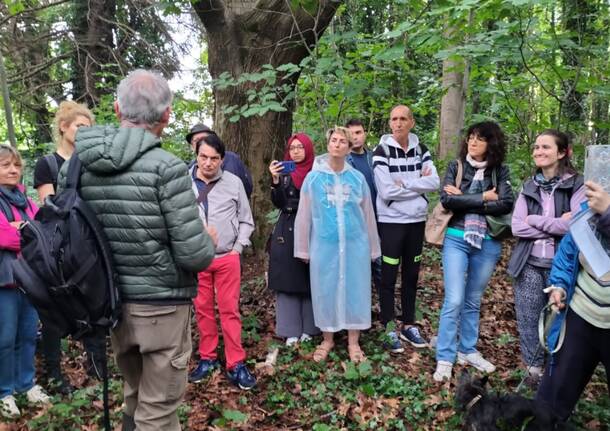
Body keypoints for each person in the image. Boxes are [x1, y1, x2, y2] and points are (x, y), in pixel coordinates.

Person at [58, 69, 215, 431]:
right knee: (158, 411)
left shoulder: (77, 166)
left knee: (135, 394)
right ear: (166, 116)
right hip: (160, 307)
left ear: (117, 109)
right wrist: (209, 238)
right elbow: (195, 255)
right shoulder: (168, 169)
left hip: (107, 304)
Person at [433, 121, 514, 382]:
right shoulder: (456, 167)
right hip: (456, 237)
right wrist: (483, 198)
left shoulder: (500, 171)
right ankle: (445, 356)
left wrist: (464, 198)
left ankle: (467, 349)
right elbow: (447, 200)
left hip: (488, 240)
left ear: (491, 143)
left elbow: (506, 204)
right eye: (470, 138)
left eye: (479, 138)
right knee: (454, 299)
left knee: (473, 299)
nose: (473, 142)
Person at [33, 100, 105, 394]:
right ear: (64, 127)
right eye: (79, 126)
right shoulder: (47, 164)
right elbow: (49, 207)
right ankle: (54, 372)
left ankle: (97, 367)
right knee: (55, 308)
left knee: (95, 302)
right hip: (59, 249)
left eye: (89, 128)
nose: (84, 132)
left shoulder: (91, 163)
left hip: (89, 244)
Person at [294, 126, 381, 363]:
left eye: (343, 141)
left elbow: (368, 214)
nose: (338, 144)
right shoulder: (314, 179)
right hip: (325, 246)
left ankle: (354, 342)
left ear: (349, 147)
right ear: (328, 144)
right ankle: (328, 339)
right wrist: (302, 247)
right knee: (325, 289)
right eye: (334, 140)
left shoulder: (357, 178)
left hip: (355, 245)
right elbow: (304, 215)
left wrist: (373, 248)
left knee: (356, 289)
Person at [507, 130, 585, 385]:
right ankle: (533, 373)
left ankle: (555, 375)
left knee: (559, 323)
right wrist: (554, 223)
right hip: (529, 263)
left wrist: (535, 220)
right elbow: (516, 226)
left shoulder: (577, 185)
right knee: (529, 320)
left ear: (562, 152)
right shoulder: (529, 185)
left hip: (563, 266)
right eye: (536, 147)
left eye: (545, 147)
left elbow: (576, 225)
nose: (538, 152)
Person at [536, 181, 610, 422]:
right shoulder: (591, 206)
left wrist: (608, 214)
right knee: (550, 403)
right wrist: (559, 285)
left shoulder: (604, 206)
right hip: (581, 315)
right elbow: (568, 254)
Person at [188, 133, 257, 390]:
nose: (208, 163)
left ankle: (235, 363)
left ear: (222, 159)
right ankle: (207, 358)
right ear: (196, 155)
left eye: (214, 159)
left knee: (229, 311)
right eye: (203, 157)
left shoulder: (234, 182)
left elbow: (246, 219)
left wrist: (237, 249)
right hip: (197, 258)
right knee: (203, 309)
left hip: (227, 256)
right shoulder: (184, 182)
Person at [373, 105, 440, 352]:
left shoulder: (421, 150)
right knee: (388, 276)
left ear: (411, 122)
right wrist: (417, 185)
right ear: (390, 124)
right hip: (391, 222)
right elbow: (386, 190)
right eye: (394, 119)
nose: (398, 123)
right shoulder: (381, 151)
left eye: (403, 119)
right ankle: (389, 325)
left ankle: (409, 324)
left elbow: (434, 181)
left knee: (411, 275)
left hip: (416, 222)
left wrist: (406, 183)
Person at [0, 144, 51, 418]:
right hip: (3, 279)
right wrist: (23, 232)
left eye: (16, 165)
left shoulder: (26, 201)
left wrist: (20, 231)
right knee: (4, 338)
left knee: (29, 334)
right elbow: (4, 238)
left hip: (29, 277)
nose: (13, 170)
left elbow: (39, 233)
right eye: (5, 165)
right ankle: (4, 392)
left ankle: (26, 384)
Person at [268, 133, 320, 346]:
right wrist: (275, 181)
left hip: (312, 227)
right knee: (287, 276)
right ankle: (290, 330)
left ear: (308, 149)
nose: (296, 151)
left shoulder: (317, 172)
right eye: (292, 147)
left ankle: (311, 328)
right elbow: (278, 202)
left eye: (300, 147)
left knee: (311, 277)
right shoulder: (285, 172)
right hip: (287, 227)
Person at [185, 123, 253, 198]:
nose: (201, 143)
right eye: (197, 140)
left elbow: (246, 188)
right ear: (192, 146)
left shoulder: (231, 159)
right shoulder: (189, 169)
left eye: (205, 138)